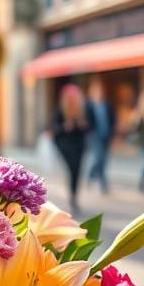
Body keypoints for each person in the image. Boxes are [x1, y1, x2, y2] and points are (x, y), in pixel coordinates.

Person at [52, 83, 90, 214]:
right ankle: (72, 197)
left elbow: (91, 126)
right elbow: (54, 128)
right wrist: (64, 127)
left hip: (79, 146)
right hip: (65, 147)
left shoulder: (83, 111)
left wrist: (83, 125)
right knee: (71, 170)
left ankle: (73, 197)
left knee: (76, 172)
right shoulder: (60, 111)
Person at [86, 78, 116, 193]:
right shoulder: (89, 105)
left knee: (103, 159)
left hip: (106, 135)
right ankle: (103, 184)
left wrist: (113, 132)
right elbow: (87, 121)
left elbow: (113, 119)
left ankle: (91, 174)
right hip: (95, 136)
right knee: (100, 158)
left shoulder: (107, 104)